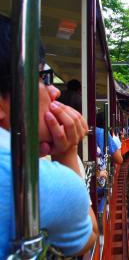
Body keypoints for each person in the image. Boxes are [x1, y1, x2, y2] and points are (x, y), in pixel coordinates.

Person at [0, 14, 98, 258]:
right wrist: (66, 153)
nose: (55, 91)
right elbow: (89, 237)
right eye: (42, 77)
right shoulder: (33, 180)